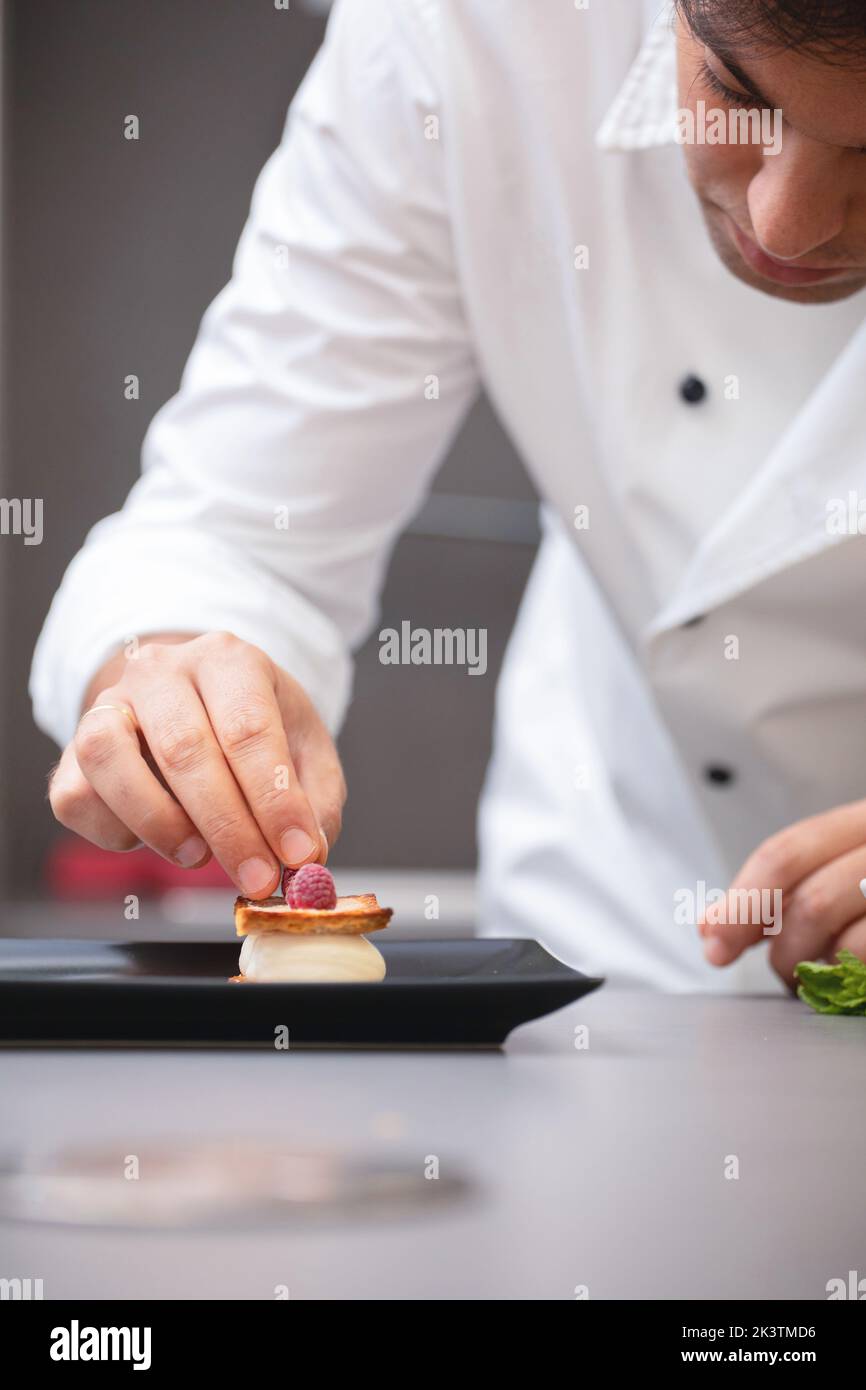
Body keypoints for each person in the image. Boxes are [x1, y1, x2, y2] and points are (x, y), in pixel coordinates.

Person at [31, 0, 866, 991]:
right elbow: (236, 535)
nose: (787, 223)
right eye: (732, 91)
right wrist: (173, 674)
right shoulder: (474, 29)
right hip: (604, 964)